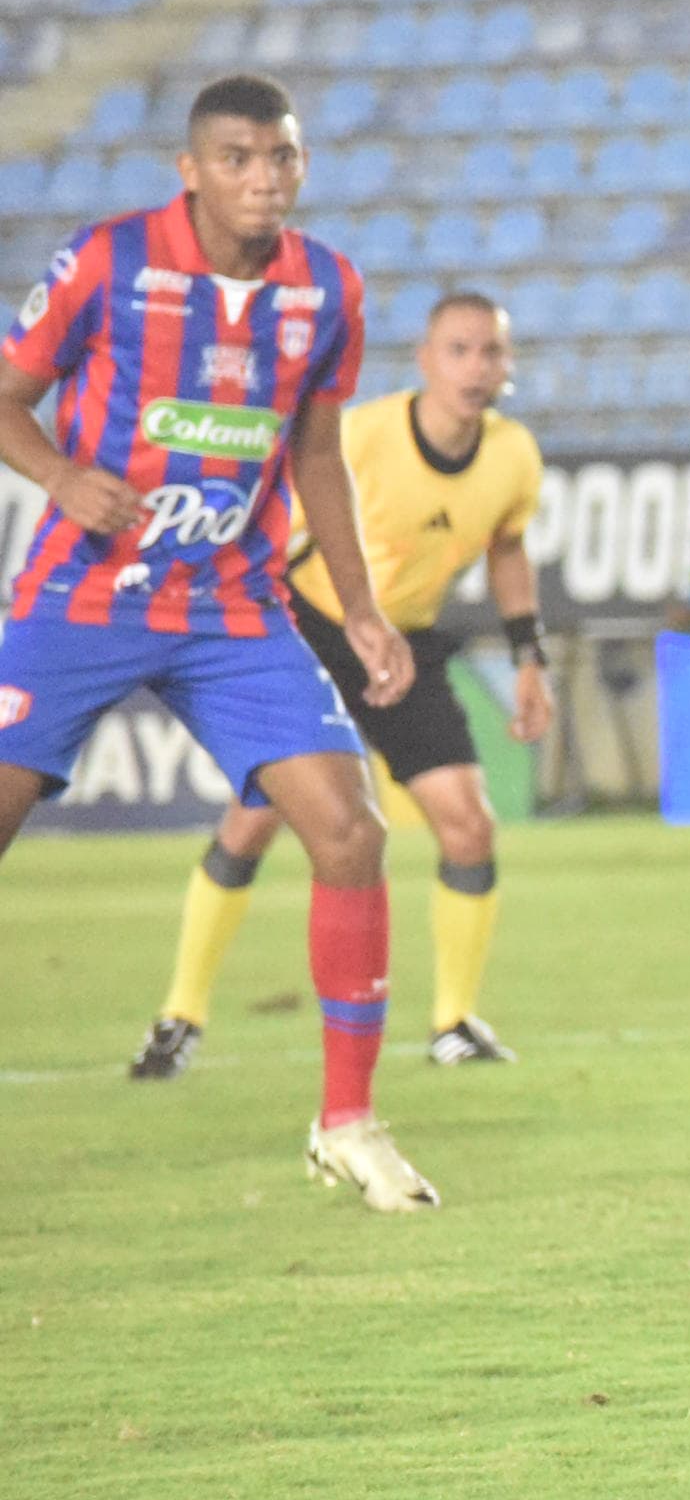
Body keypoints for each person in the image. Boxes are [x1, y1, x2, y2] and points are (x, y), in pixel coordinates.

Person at [0, 74, 438, 1209]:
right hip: (80, 599)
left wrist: (361, 606)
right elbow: (7, 391)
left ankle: (349, 1122)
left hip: (234, 607)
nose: (264, 178)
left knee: (350, 829)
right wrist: (57, 474)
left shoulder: (327, 287)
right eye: (238, 158)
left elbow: (318, 457)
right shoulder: (108, 262)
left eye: (281, 158)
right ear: (190, 170)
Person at [132, 289, 552, 1079]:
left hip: (409, 644)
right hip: (315, 626)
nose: (475, 366)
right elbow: (279, 520)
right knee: (256, 820)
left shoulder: (513, 455)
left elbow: (507, 547)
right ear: (425, 361)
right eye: (458, 349)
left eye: (491, 351)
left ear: (508, 366)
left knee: (468, 824)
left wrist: (532, 655)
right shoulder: (363, 436)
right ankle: (179, 1016)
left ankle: (453, 1022)